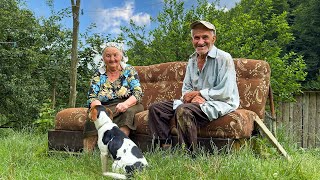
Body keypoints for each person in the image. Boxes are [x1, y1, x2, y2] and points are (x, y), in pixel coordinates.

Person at [148, 20, 240, 152]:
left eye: (205, 37)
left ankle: (190, 154)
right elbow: (186, 88)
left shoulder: (224, 58)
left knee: (183, 110)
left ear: (213, 39)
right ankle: (165, 148)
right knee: (155, 109)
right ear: (192, 40)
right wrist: (192, 98)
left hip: (220, 102)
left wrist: (200, 94)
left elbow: (225, 91)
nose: (200, 42)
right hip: (194, 102)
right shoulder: (192, 60)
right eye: (196, 37)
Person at [83, 42, 144, 152]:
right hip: (105, 105)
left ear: (121, 55)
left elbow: (138, 93)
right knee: (93, 116)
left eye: (115, 55)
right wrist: (97, 107)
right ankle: (87, 154)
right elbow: (92, 96)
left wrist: (125, 104)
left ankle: (117, 150)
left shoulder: (129, 70)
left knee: (128, 113)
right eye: (108, 56)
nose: (112, 59)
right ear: (103, 58)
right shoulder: (98, 74)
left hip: (129, 103)